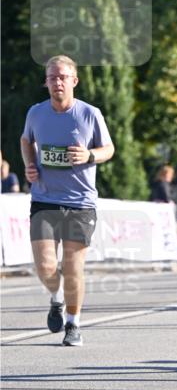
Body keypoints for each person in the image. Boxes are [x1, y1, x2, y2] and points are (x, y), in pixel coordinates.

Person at [19, 55, 115, 346]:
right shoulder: (36, 113)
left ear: (74, 80)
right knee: (46, 267)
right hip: (44, 199)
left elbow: (108, 148)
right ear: (46, 82)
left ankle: (73, 323)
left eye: (62, 77)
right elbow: (26, 140)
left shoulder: (89, 114)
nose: (57, 82)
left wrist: (89, 155)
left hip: (80, 202)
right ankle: (56, 297)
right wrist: (29, 164)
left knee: (73, 266)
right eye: (52, 77)